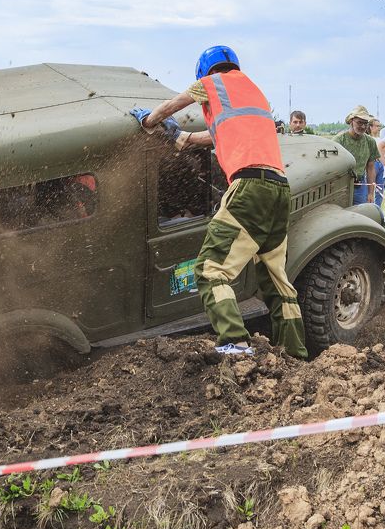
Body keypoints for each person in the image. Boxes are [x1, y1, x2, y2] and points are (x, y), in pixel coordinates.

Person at [129, 45, 306, 359]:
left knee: (211, 269)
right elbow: (219, 134)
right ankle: (295, 355)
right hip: (279, 189)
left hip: (249, 187)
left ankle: (236, 342)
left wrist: (150, 121)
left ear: (204, 71)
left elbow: (172, 105)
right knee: (277, 280)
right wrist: (181, 137)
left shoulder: (212, 83)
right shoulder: (254, 94)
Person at [332, 106, 377, 206]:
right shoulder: (339, 140)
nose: (362, 126)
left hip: (360, 186)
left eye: (365, 123)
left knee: (360, 214)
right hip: (341, 186)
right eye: (359, 122)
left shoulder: (370, 142)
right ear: (352, 121)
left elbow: (370, 168)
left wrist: (370, 193)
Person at [370, 118, 385, 206]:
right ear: (371, 127)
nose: (379, 128)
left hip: (381, 165)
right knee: (371, 188)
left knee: (380, 189)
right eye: (377, 126)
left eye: (379, 126)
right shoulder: (368, 139)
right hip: (373, 164)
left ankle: (378, 209)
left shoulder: (381, 139)